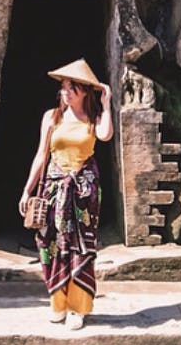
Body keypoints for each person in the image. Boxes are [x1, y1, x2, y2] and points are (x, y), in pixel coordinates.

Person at [18, 58, 113, 330]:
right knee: (51, 244)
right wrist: (27, 190)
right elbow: (41, 155)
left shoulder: (94, 118)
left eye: (72, 87)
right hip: (53, 189)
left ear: (85, 91)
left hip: (83, 191)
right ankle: (58, 303)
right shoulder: (52, 117)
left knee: (81, 248)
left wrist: (106, 103)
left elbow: (105, 136)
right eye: (63, 87)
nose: (65, 92)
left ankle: (78, 307)